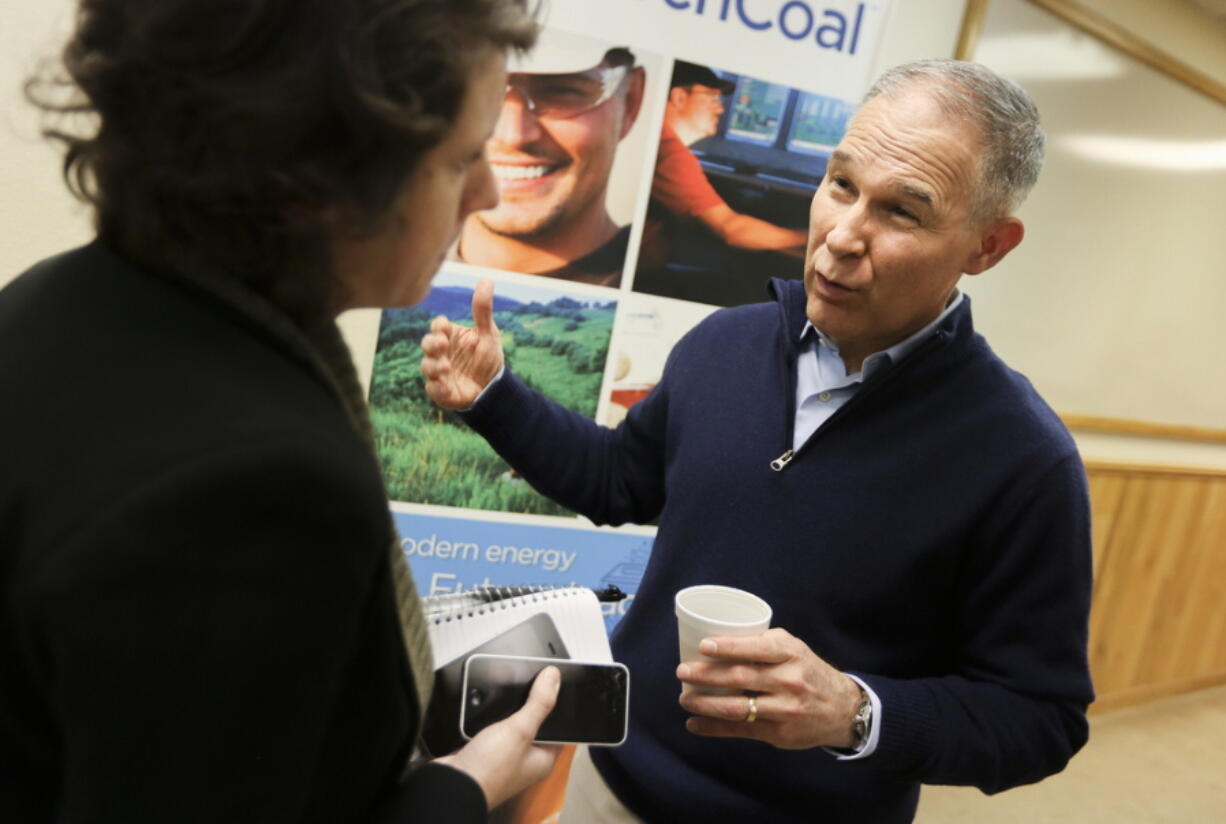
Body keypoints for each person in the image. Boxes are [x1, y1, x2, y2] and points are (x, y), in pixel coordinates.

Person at [420, 58, 1095, 823]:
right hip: (607, 790)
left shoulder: (1022, 458)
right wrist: (494, 398)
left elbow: (1039, 718)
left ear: (987, 246)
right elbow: (615, 481)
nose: (841, 237)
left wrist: (854, 711)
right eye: (840, 185)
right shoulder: (723, 346)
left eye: (901, 212)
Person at [0, 1, 565, 821]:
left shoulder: (54, 299)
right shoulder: (260, 490)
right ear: (319, 181)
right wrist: (466, 786)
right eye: (463, 159)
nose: (485, 192)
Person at [452, 30, 647, 287]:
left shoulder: (665, 281)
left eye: (561, 90)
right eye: (479, 91)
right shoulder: (391, 270)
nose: (513, 135)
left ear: (630, 103)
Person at [641, 60, 808, 261]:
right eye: (713, 98)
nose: (720, 109)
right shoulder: (669, 152)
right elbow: (731, 230)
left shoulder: (654, 139)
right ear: (678, 97)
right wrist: (808, 237)